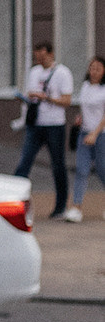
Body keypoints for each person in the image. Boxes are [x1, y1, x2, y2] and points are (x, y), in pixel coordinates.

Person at [16, 41, 73, 219]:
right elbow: (31, 95)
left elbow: (67, 100)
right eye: (36, 56)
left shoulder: (62, 73)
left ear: (50, 54)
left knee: (58, 165)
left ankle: (60, 206)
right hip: (35, 124)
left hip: (54, 125)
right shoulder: (34, 72)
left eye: (41, 55)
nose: (38, 59)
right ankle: (14, 203)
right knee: (24, 162)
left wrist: (46, 97)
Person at [66, 55, 105, 219]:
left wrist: (95, 134)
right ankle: (76, 207)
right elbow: (85, 108)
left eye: (98, 69)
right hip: (84, 133)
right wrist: (80, 119)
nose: (94, 72)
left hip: (101, 135)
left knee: (102, 170)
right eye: (92, 68)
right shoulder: (85, 86)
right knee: (81, 169)